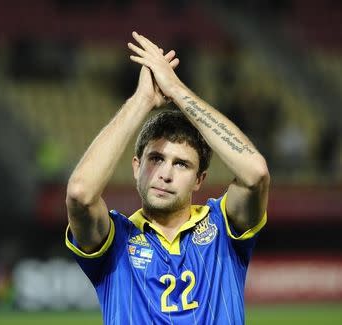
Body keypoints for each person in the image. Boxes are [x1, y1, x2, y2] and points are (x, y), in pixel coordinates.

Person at [65, 32, 270, 324]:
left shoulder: (223, 227)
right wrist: (141, 100)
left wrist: (175, 89)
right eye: (156, 159)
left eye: (182, 165)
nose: (165, 173)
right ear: (136, 167)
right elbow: (80, 194)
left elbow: (256, 173)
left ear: (199, 180)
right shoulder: (115, 242)